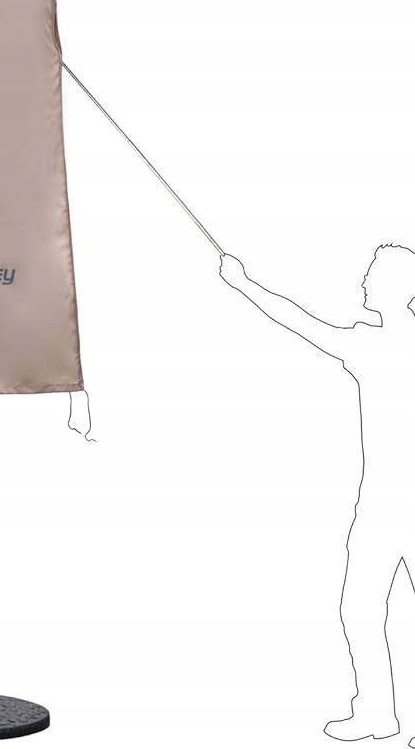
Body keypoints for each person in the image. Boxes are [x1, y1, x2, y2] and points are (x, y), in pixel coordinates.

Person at [219, 244, 415, 744]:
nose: (365, 280)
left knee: (361, 610)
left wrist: (244, 283)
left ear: (399, 288)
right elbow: (304, 324)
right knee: (359, 609)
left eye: (374, 273)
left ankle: (378, 714)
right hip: (377, 508)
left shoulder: (376, 346)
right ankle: (376, 714)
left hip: (390, 508)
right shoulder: (374, 343)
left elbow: (300, 323)